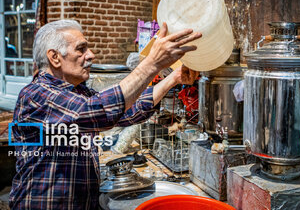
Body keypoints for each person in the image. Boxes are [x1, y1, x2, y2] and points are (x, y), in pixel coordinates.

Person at [9, 19, 202, 209]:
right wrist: (152, 63)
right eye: (81, 49)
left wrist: (174, 78)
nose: (91, 55)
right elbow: (100, 110)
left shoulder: (78, 92)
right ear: (55, 57)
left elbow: (127, 111)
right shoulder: (37, 94)